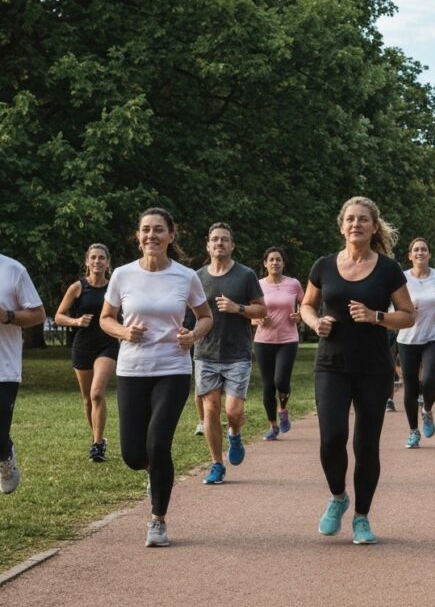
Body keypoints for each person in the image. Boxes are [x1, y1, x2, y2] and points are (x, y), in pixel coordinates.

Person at [300, 196, 414, 545]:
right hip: (331, 364)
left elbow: (408, 315)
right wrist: (314, 322)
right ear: (342, 225)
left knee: (366, 445)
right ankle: (338, 497)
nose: (356, 225)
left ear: (374, 226)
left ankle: (362, 517)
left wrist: (376, 316)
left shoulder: (389, 269)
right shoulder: (324, 265)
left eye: (363, 220)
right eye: (350, 219)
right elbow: (306, 304)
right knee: (332, 437)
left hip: (373, 367)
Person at [100, 207, 213, 546]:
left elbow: (205, 316)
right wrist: (123, 332)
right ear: (138, 236)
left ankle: (158, 520)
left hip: (172, 369)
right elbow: (106, 318)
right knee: (135, 455)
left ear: (171, 235)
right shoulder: (122, 275)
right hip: (133, 369)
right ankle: (155, 476)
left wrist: (192, 336)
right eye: (146, 230)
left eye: (159, 230)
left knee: (158, 443)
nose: (152, 235)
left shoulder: (185, 276)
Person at [195, 223, 266, 485]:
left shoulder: (245, 275)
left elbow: (262, 311)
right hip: (205, 352)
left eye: (224, 239)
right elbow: (188, 310)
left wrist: (238, 308)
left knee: (233, 411)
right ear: (208, 245)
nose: (219, 243)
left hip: (237, 353)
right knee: (211, 409)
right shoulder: (197, 277)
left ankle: (235, 434)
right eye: (214, 239)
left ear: (232, 245)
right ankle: (216, 464)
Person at [54, 244, 120, 461]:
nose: (97, 261)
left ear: (108, 262)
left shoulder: (114, 288)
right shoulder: (78, 287)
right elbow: (58, 316)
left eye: (102, 258)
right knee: (87, 399)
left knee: (97, 393)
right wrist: (76, 321)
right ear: (87, 262)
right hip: (83, 346)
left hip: (107, 344)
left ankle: (97, 445)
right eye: (93, 257)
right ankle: (97, 438)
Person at [396, 238, 435, 448]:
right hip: (408, 338)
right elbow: (393, 304)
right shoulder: (401, 279)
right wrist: (404, 309)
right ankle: (413, 431)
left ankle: (427, 410)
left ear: (429, 254)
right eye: (416, 250)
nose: (420, 253)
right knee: (410, 387)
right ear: (410, 256)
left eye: (424, 250)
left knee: (429, 380)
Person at [0, 254, 45, 495]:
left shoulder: (13, 270)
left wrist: (6, 315)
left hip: (3, 369)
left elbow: (38, 315)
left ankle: (5, 453)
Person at [253, 246, 304, 441]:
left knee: (281, 381)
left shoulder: (293, 284)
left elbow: (306, 305)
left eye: (278, 259)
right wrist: (256, 320)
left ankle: (282, 409)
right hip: (263, 340)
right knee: (268, 385)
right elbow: (251, 312)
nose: (275, 263)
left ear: (283, 263)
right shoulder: (258, 285)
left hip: (288, 339)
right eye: (271, 260)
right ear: (265, 264)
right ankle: (273, 426)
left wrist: (299, 315)